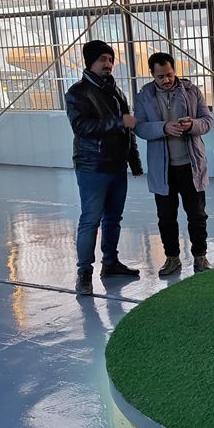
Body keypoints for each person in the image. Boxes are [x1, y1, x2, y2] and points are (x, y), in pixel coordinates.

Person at [67, 40, 143, 295]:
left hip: (117, 166)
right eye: (102, 59)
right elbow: (82, 127)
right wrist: (118, 121)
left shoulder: (115, 91)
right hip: (92, 166)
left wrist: (134, 161)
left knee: (113, 219)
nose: (108, 64)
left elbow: (128, 130)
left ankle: (110, 263)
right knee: (90, 220)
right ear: (90, 62)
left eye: (110, 59)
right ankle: (84, 273)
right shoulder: (78, 92)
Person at [133, 52, 213, 275]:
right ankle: (172, 258)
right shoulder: (144, 96)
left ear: (174, 70)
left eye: (169, 74)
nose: (166, 80)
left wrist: (192, 125)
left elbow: (207, 121)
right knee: (166, 217)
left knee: (197, 215)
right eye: (160, 76)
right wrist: (163, 128)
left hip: (191, 165)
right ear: (152, 74)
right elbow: (138, 126)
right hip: (163, 169)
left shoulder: (192, 90)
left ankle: (200, 257)